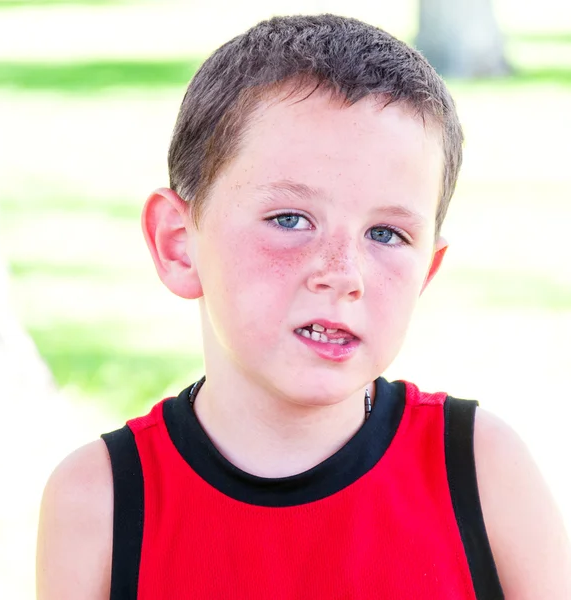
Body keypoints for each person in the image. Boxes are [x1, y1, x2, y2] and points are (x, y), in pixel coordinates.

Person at [36, 14, 571, 599]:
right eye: (290, 220)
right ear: (179, 244)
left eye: (387, 234)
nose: (343, 275)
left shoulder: (481, 472)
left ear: (426, 273)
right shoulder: (102, 503)